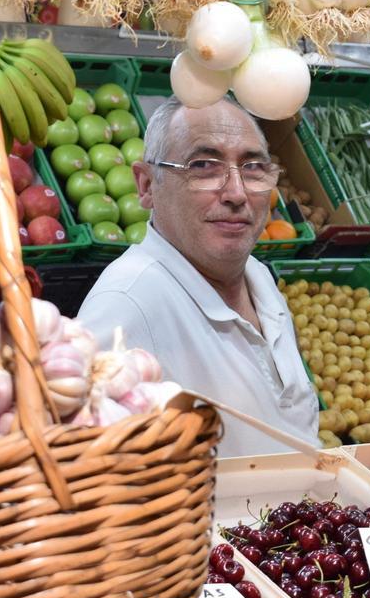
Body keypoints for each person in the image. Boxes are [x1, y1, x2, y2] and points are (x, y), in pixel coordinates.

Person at [78, 97, 318, 457]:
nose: (237, 193)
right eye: (203, 165)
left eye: (253, 167)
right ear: (146, 186)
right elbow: (87, 469)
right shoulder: (125, 306)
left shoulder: (256, 274)